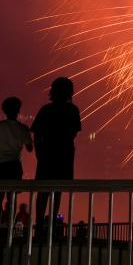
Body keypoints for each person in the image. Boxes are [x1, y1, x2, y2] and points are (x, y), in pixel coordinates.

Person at [31, 77, 81, 226]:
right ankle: (52, 222)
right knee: (58, 190)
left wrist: (38, 152)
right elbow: (74, 132)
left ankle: (39, 223)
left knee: (43, 191)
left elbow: (36, 133)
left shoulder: (46, 109)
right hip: (64, 155)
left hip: (47, 154)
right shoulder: (73, 110)